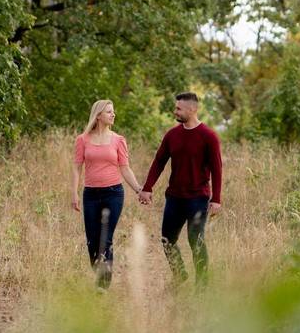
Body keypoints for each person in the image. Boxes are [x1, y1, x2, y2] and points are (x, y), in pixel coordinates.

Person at [139, 92, 222, 286]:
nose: (175, 111)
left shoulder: (209, 136)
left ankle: (202, 285)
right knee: (167, 239)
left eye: (178, 108)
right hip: (174, 197)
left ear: (191, 110)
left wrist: (216, 199)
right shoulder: (172, 135)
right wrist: (148, 187)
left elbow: (217, 169)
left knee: (196, 239)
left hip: (198, 197)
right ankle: (180, 274)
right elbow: (159, 161)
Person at [71, 99, 144, 291]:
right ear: (98, 115)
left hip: (113, 194)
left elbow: (125, 169)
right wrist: (74, 193)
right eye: (109, 112)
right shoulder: (82, 139)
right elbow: (77, 168)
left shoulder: (119, 140)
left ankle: (103, 284)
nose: (113, 114)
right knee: (92, 240)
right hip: (90, 196)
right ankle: (99, 271)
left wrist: (139, 189)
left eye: (113, 111)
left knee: (106, 238)